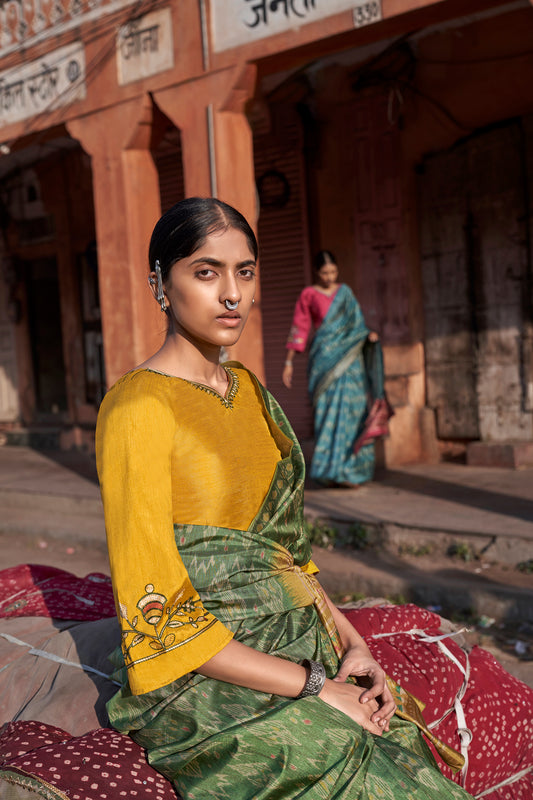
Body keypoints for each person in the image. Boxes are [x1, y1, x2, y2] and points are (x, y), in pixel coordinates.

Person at [96, 197, 473, 800]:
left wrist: (353, 645)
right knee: (340, 752)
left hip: (304, 638)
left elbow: (284, 556)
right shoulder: (138, 408)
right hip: (206, 664)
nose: (232, 295)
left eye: (244, 272)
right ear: (159, 285)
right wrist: (318, 688)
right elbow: (157, 610)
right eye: (205, 271)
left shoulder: (248, 390)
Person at [283, 250, 384, 488]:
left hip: (351, 363)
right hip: (324, 363)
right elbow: (300, 326)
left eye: (333, 272)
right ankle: (329, 471)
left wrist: (368, 336)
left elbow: (356, 324)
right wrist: (288, 362)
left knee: (353, 411)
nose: (329, 276)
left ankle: (350, 471)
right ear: (317, 272)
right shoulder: (308, 294)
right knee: (327, 414)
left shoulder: (345, 294)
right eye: (324, 272)